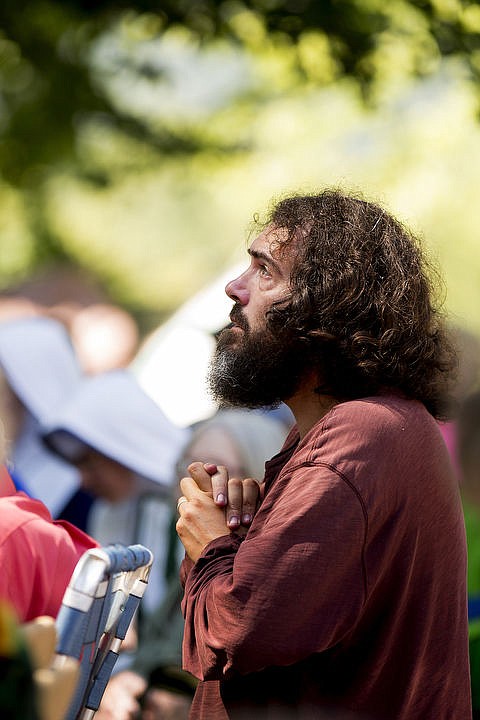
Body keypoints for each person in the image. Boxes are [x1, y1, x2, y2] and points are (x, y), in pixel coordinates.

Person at [175, 189, 471, 719]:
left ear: (329, 302)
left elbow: (247, 628)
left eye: (264, 271)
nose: (234, 288)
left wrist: (213, 548)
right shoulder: (369, 427)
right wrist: (244, 541)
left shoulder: (362, 435)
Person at [95, 407, 291, 720]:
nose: (194, 484)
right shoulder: (190, 552)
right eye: (188, 469)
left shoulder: (272, 559)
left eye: (216, 471)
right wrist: (135, 679)